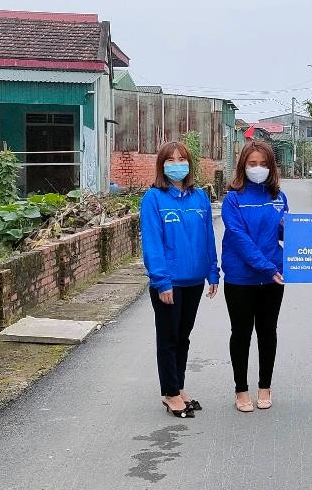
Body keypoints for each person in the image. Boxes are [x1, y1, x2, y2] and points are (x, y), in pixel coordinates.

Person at [140, 141, 219, 418]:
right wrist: (162, 281)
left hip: (195, 281)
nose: (177, 164)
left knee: (183, 337)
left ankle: (179, 386)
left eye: (182, 159)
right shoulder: (153, 199)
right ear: (162, 165)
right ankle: (170, 393)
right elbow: (152, 243)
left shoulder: (200, 198)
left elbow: (208, 237)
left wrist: (213, 272)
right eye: (170, 159)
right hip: (169, 283)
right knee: (168, 338)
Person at [221, 140, 288, 413]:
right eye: (252, 164)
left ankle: (265, 387)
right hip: (241, 279)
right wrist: (268, 267)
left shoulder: (279, 197)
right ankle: (241, 390)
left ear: (271, 167)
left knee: (267, 333)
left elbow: (289, 235)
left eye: (263, 164)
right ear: (243, 166)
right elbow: (239, 238)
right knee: (241, 333)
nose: (258, 169)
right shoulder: (233, 199)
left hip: (273, 280)